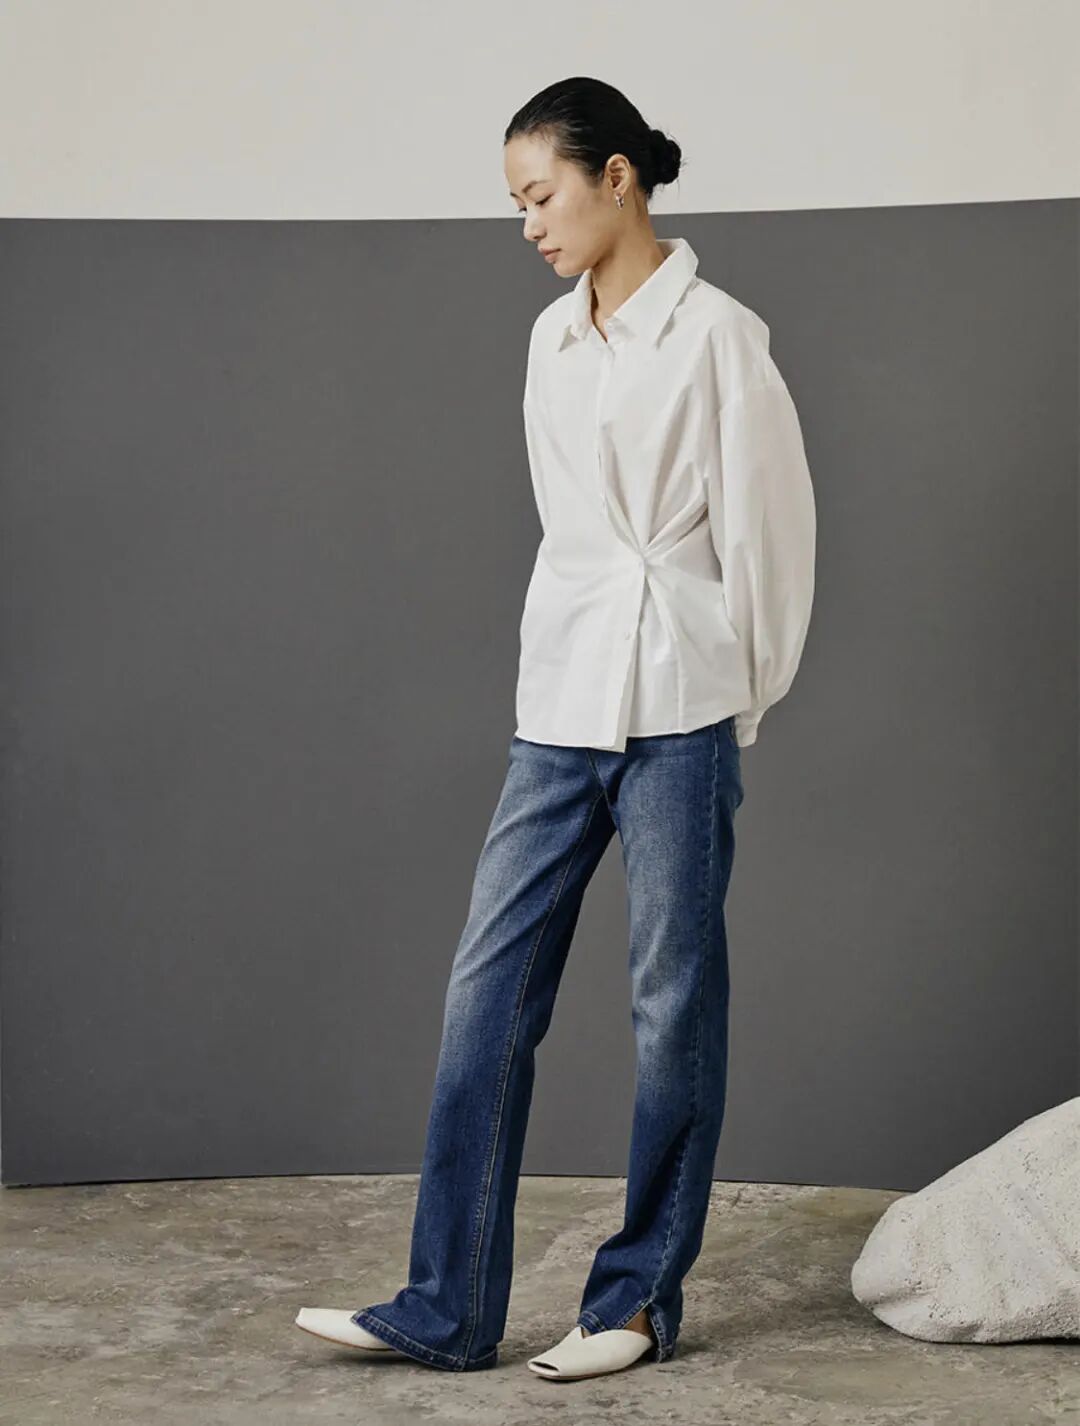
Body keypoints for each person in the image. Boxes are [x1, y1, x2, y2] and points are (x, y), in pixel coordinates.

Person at [296, 75, 816, 1381]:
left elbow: (774, 546)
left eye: (541, 195)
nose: (527, 224)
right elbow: (567, 528)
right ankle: (446, 1306)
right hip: (562, 702)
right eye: (516, 204)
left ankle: (633, 1303)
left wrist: (737, 697)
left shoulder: (719, 339)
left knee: (671, 1007)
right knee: (488, 992)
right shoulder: (550, 340)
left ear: (616, 178)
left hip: (682, 708)